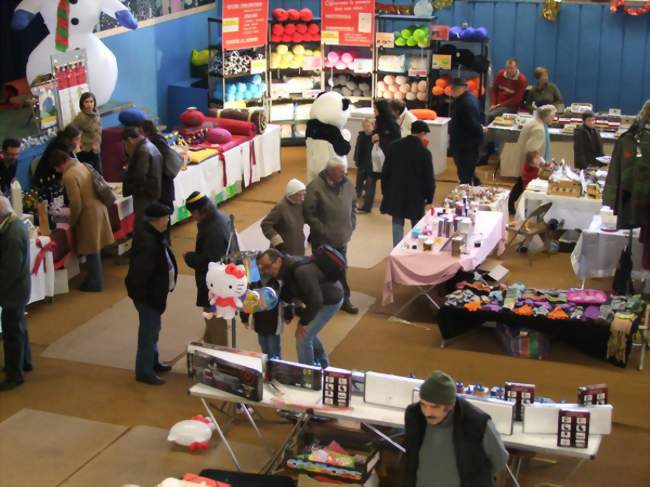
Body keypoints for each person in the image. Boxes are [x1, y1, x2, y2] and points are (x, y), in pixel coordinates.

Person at [403, 370, 509, 487]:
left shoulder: (477, 423)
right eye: (423, 404)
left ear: (450, 406)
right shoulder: (414, 416)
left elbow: (499, 459)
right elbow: (410, 460)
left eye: (434, 407)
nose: (427, 412)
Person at [257, 248, 343, 367]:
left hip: (330, 301)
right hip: (319, 298)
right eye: (261, 268)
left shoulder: (301, 271)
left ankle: (307, 375)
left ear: (278, 261)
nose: (265, 271)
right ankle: (323, 364)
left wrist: (303, 322)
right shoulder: (286, 268)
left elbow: (316, 301)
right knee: (310, 332)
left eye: (267, 267)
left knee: (302, 337)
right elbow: (290, 290)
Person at [125, 202, 177, 385]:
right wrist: (144, 297)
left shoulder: (153, 236)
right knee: (148, 332)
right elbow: (141, 274)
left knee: (153, 330)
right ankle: (144, 370)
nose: (168, 221)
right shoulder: (149, 242)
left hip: (154, 296)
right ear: (158, 220)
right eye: (166, 218)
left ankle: (152, 362)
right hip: (149, 297)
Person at [50, 150, 114, 291]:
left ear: (60, 164)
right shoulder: (82, 165)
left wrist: (71, 221)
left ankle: (95, 282)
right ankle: (93, 279)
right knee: (94, 248)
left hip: (88, 214)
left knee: (92, 249)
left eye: (56, 168)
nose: (57, 171)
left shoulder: (68, 176)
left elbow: (76, 203)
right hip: (98, 208)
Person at [303, 157, 358, 314]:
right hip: (323, 241)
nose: (345, 173)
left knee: (342, 269)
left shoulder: (347, 184)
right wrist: (323, 230)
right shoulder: (315, 187)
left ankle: (344, 299)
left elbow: (353, 205)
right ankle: (322, 300)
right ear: (331, 171)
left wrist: (351, 224)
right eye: (341, 171)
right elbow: (308, 213)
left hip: (342, 238)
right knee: (323, 272)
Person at [183, 191, 235, 346]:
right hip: (224, 282)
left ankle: (220, 358)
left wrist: (190, 258)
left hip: (215, 287)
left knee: (216, 325)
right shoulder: (220, 218)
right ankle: (208, 346)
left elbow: (212, 262)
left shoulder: (212, 231)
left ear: (200, 211)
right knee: (212, 322)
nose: (193, 217)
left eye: (193, 213)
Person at [380, 121, 435, 246]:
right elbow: (429, 178)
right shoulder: (424, 152)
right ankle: (416, 245)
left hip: (396, 190)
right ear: (422, 133)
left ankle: (397, 248)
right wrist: (429, 197)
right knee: (417, 222)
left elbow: (386, 171)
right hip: (416, 194)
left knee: (397, 220)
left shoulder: (394, 146)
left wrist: (385, 191)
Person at [0, 196, 32, 390]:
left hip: (13, 291)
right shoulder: (15, 224)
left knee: (12, 333)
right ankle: (24, 362)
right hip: (20, 288)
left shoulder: (11, 235)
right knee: (20, 328)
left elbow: (9, 270)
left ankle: (14, 374)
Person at [122, 126, 162, 234]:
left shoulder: (142, 150)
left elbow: (140, 176)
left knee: (142, 224)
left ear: (129, 140)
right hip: (153, 190)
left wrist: (128, 172)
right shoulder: (149, 145)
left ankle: (141, 248)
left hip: (144, 193)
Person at [32, 125, 81, 205]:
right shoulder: (62, 146)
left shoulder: (62, 142)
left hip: (53, 174)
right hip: (47, 178)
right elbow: (67, 166)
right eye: (77, 139)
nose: (79, 142)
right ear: (71, 139)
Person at [449, 77, 485, 185]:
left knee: (464, 173)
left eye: (454, 89)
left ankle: (466, 194)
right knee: (468, 170)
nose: (452, 91)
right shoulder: (468, 99)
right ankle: (475, 185)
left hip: (465, 144)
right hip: (465, 143)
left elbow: (473, 123)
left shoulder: (466, 103)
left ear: (462, 88)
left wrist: (480, 130)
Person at [141, 120, 182, 209]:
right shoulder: (159, 139)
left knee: (164, 210)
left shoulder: (155, 143)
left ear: (146, 131)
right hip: (164, 182)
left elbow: (158, 162)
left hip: (162, 183)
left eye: (141, 132)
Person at [240, 275, 284, 359]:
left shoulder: (277, 281)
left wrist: (289, 314)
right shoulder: (254, 282)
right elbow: (248, 301)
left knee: (273, 349)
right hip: (259, 322)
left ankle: (276, 369)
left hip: (274, 323)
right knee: (264, 348)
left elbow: (286, 299)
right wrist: (244, 317)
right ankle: (268, 368)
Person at [261, 179, 306, 256]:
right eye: (300, 195)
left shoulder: (299, 204)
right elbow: (266, 224)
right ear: (292, 195)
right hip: (284, 252)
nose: (302, 198)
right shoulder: (281, 207)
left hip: (298, 249)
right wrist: (277, 241)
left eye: (303, 194)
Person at [513, 105, 557, 177]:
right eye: (552, 117)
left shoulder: (534, 121)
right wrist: (544, 164)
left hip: (525, 165)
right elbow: (532, 152)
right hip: (530, 169)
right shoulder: (539, 129)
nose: (553, 118)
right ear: (547, 117)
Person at [488, 57, 528, 122]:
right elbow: (493, 90)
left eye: (511, 68)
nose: (509, 70)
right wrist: (493, 104)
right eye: (507, 68)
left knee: (490, 115)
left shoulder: (522, 80)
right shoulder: (500, 74)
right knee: (482, 114)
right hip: (496, 104)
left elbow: (516, 100)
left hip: (510, 106)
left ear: (517, 68)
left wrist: (499, 105)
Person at [72, 92, 102, 173]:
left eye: (91, 101)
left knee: (99, 174)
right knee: (90, 175)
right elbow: (71, 131)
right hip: (86, 151)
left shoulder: (96, 113)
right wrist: (78, 145)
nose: (89, 104)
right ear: (82, 104)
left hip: (96, 148)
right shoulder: (80, 117)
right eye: (86, 102)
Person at [508, 150, 542, 215]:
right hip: (527, 191)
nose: (540, 158)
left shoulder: (526, 166)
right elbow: (538, 177)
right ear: (534, 160)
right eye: (538, 157)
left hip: (523, 188)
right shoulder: (535, 171)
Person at [353, 118, 374, 212]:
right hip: (362, 163)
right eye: (364, 126)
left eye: (368, 126)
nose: (366, 128)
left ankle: (367, 201)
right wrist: (356, 159)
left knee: (369, 184)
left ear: (373, 126)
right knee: (359, 182)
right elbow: (357, 149)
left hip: (371, 165)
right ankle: (355, 197)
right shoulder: (361, 136)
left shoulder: (375, 137)